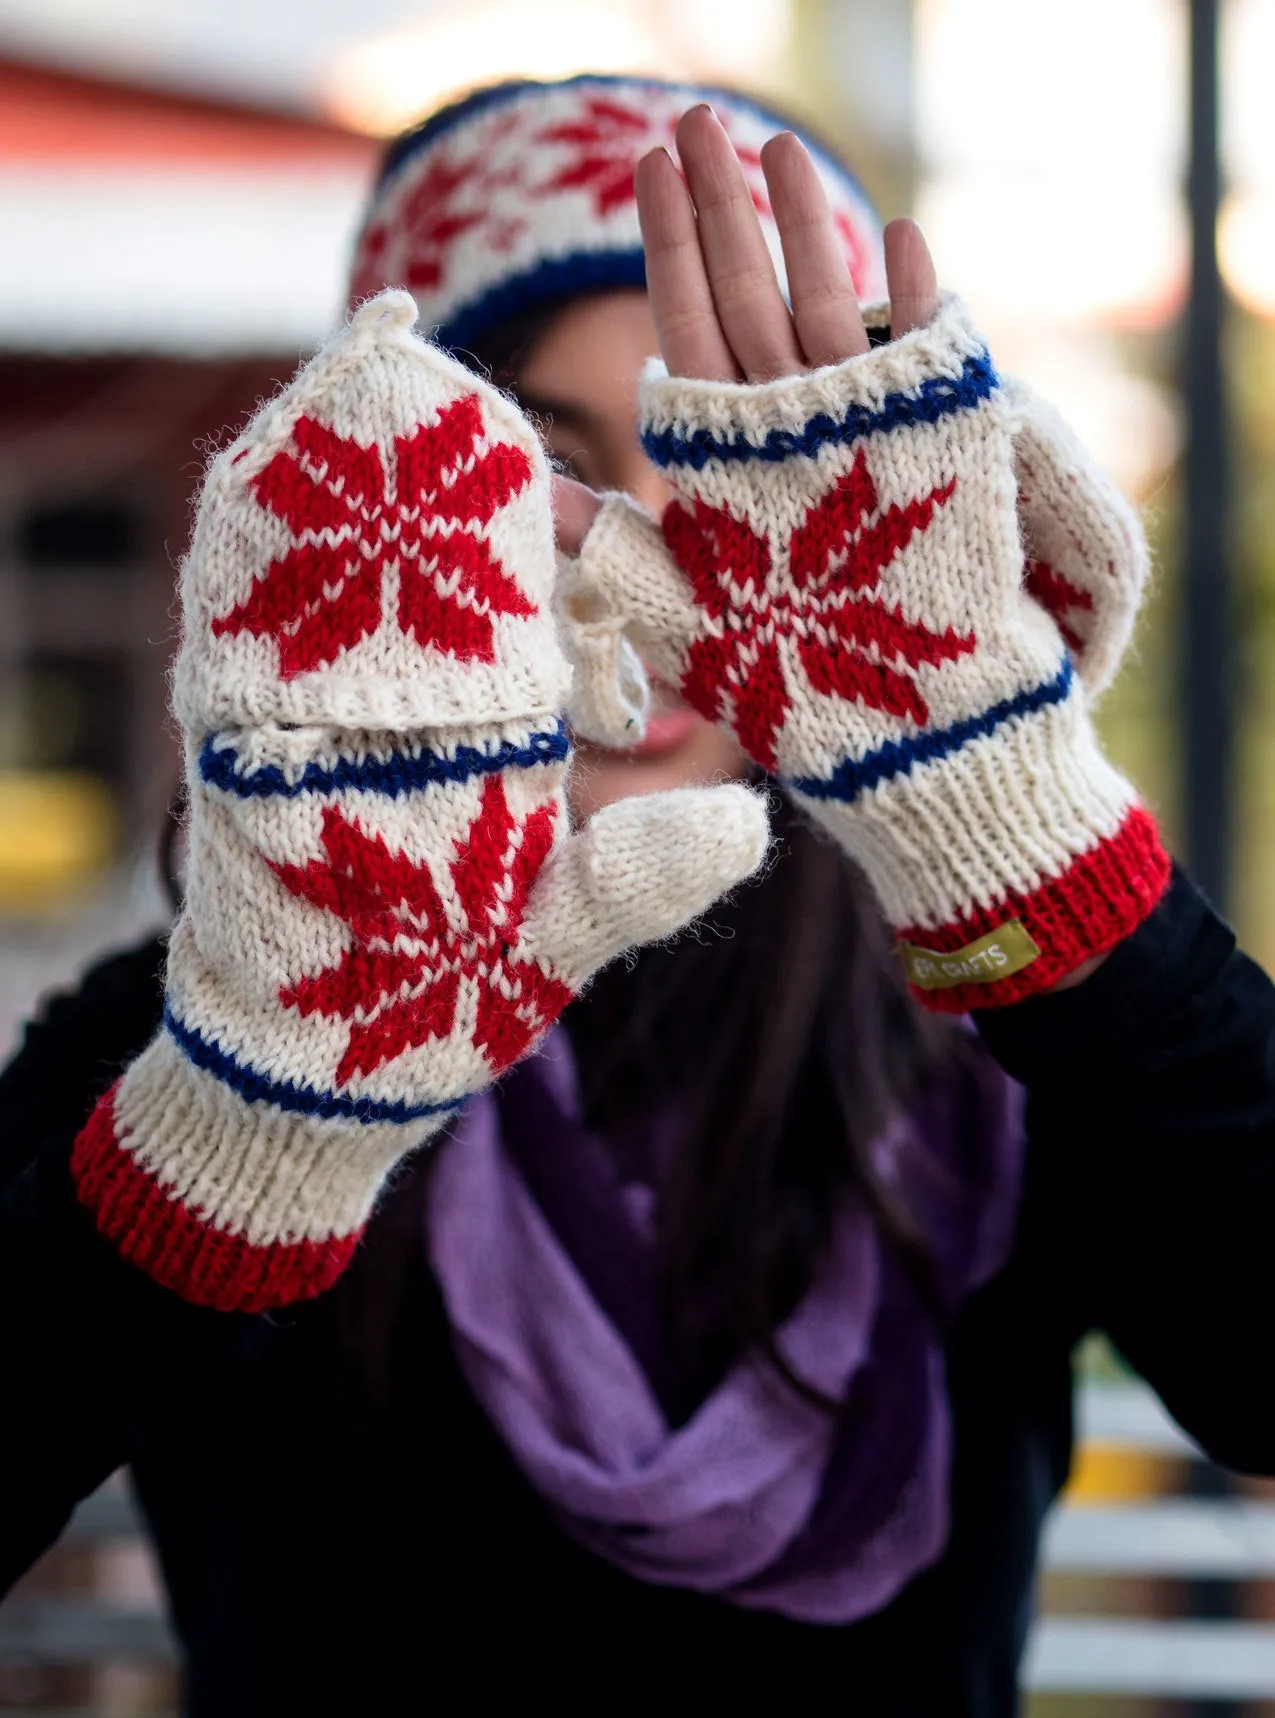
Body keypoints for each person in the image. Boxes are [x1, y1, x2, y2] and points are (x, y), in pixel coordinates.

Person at [3, 73, 1275, 1717]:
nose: (639, 569)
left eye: (723, 469)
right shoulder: (198, 1029)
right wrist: (243, 1135)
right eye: (538, 467)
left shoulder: (999, 1037)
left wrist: (1015, 834)